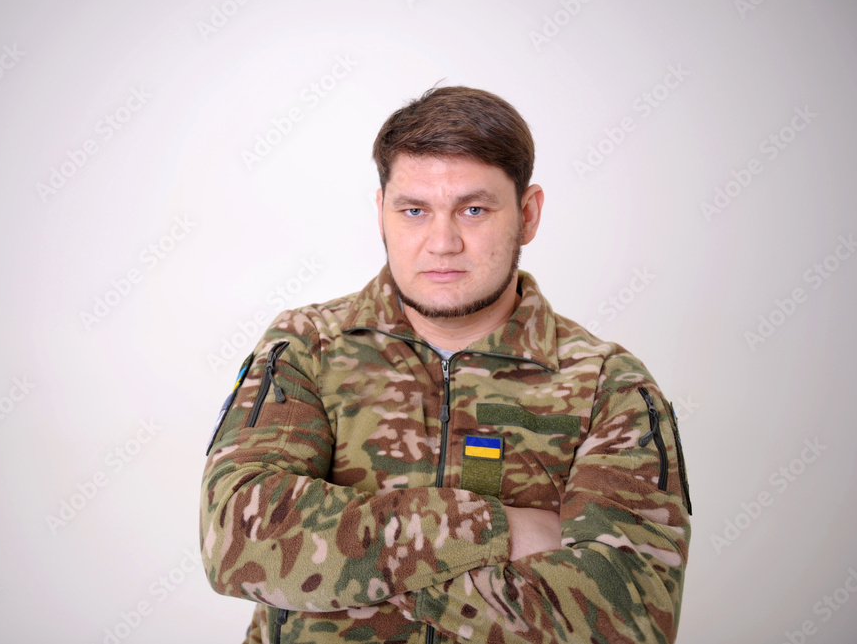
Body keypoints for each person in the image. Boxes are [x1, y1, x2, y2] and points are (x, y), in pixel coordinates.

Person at [200, 86, 692, 644]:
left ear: (527, 216)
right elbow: (236, 540)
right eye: (414, 210)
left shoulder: (608, 386)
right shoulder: (308, 347)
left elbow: (628, 619)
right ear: (381, 213)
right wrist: (497, 530)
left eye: (474, 209)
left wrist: (348, 576)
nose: (442, 242)